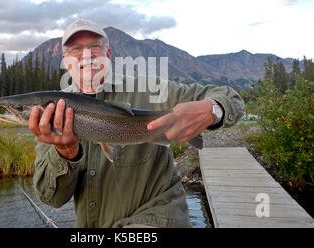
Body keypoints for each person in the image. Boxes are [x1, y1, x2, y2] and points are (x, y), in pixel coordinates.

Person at [30, 19, 245, 228]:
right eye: (76, 49)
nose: (87, 55)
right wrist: (65, 153)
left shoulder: (151, 89)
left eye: (95, 46)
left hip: (157, 217)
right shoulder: (52, 114)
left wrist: (212, 109)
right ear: (66, 61)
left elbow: (231, 98)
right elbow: (52, 199)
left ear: (108, 55)